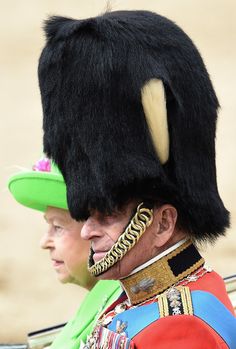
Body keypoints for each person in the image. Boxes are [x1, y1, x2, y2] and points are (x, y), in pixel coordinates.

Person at [38, 10, 236, 348]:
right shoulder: (131, 299)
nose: (86, 230)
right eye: (88, 215)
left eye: (107, 215)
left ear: (162, 223)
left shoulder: (181, 326)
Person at [8, 157, 121, 349]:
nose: (44, 242)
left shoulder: (117, 318)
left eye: (58, 227)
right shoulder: (103, 305)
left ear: (96, 229)